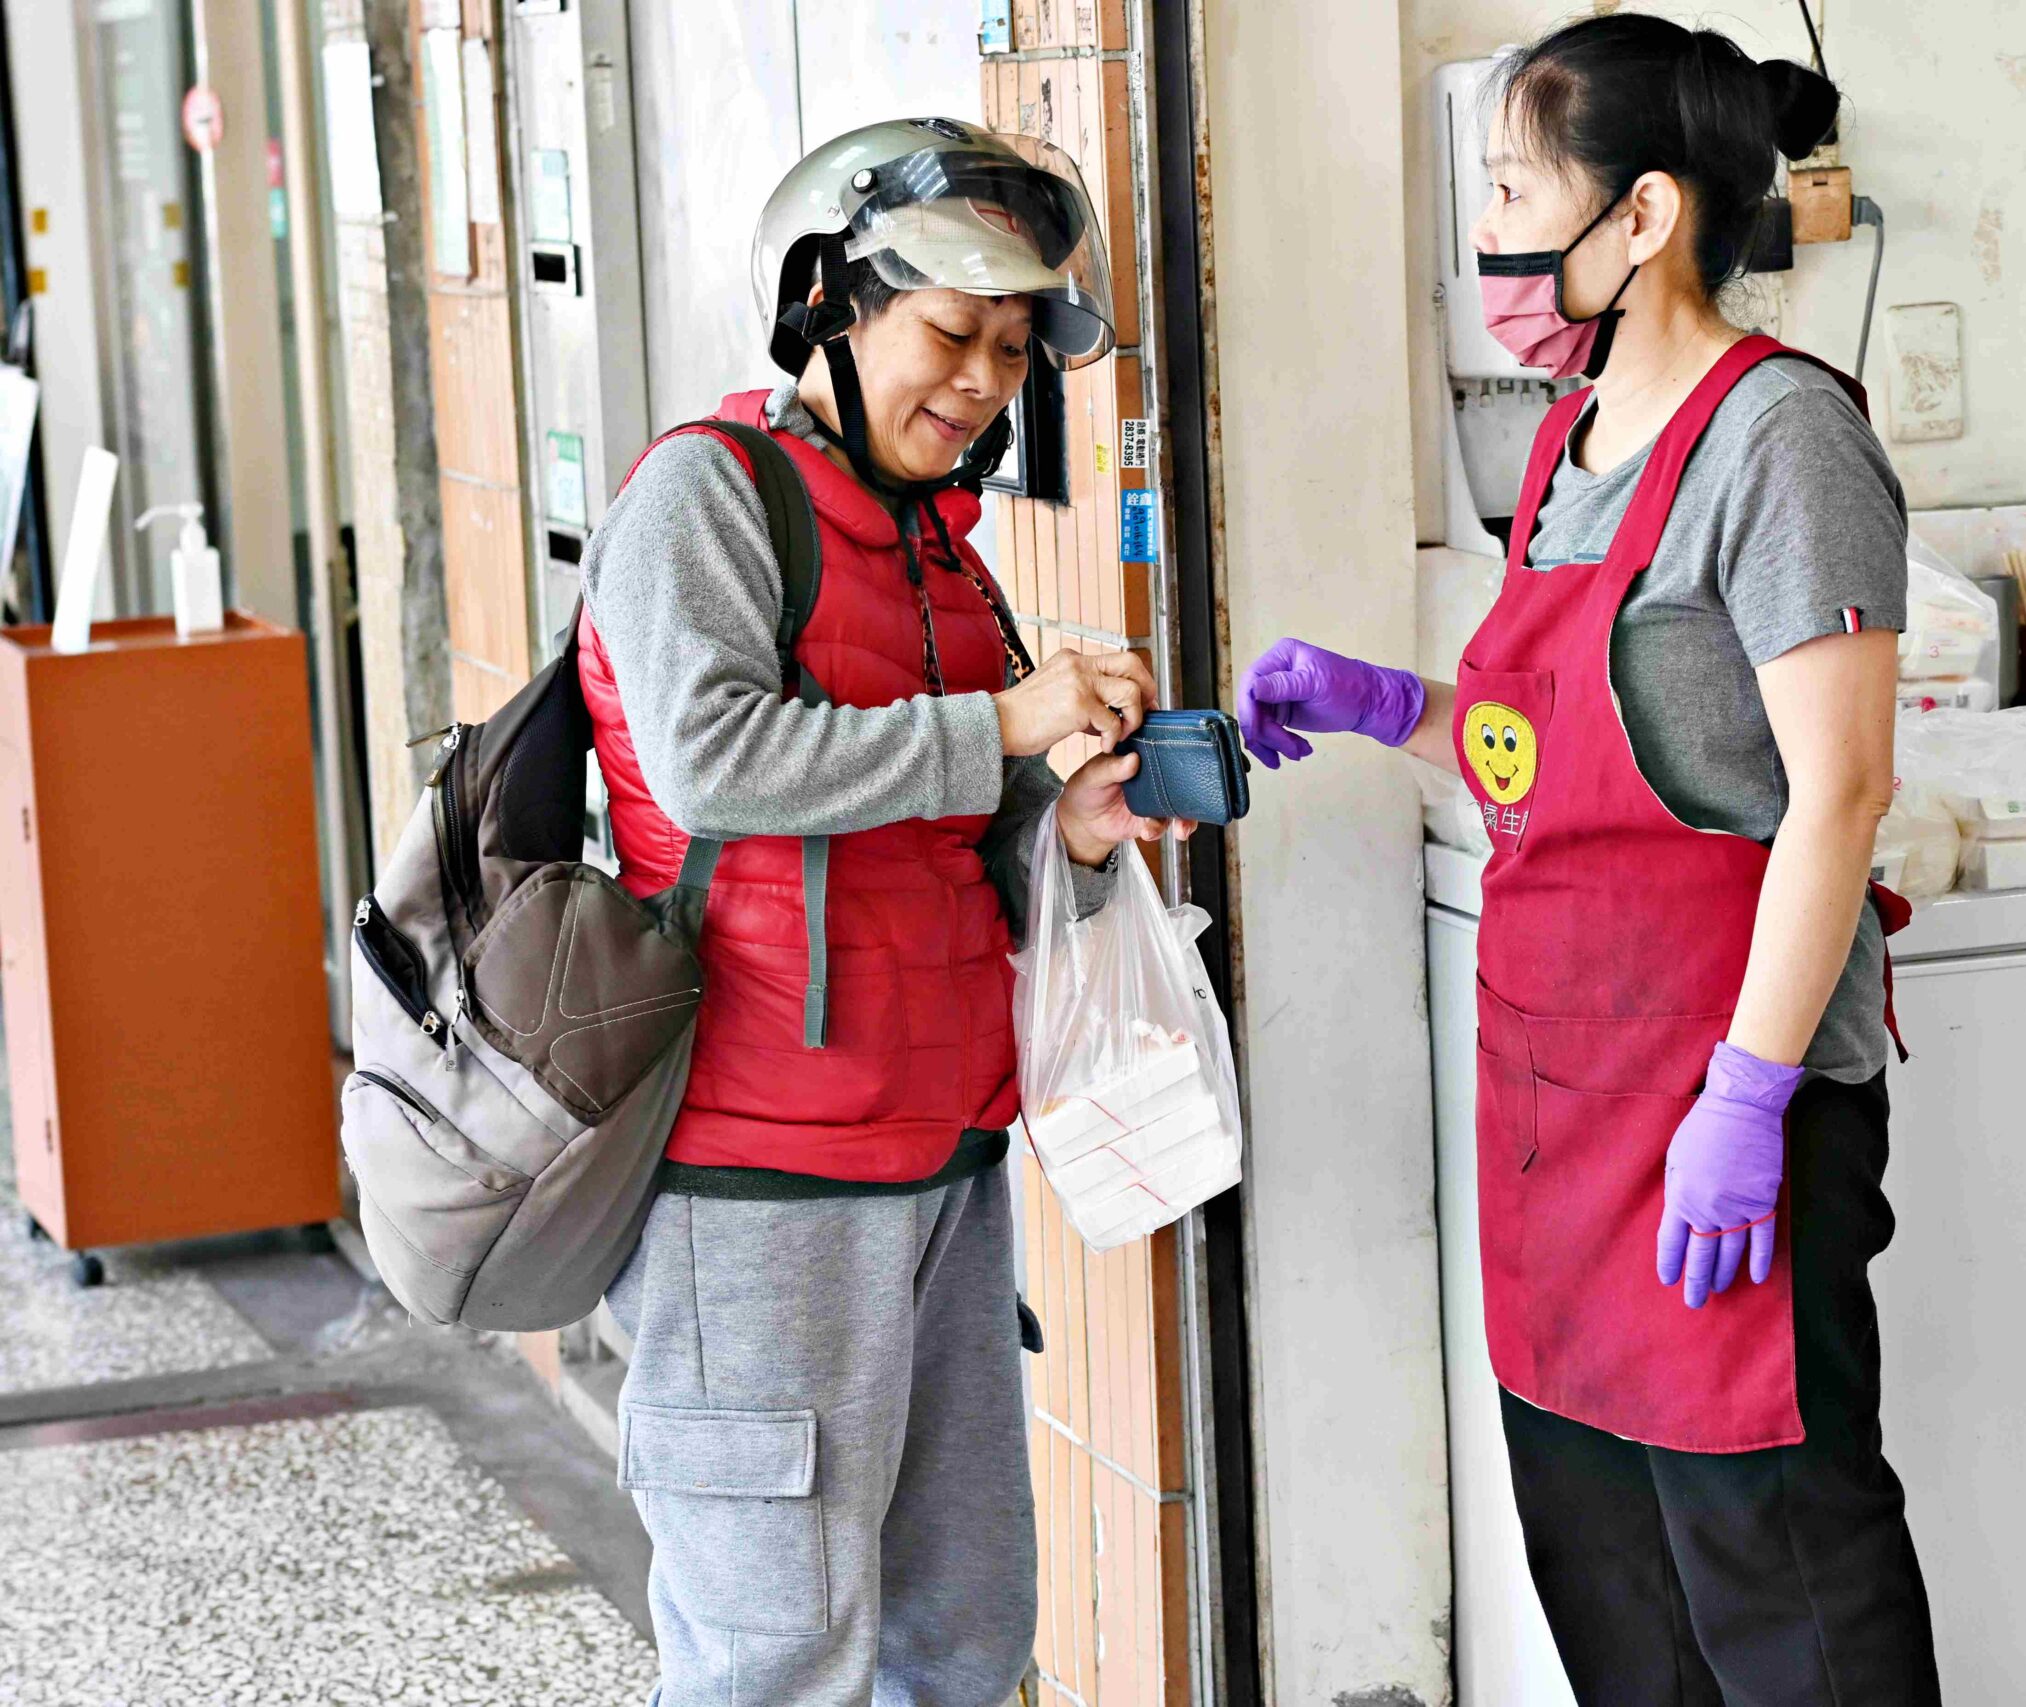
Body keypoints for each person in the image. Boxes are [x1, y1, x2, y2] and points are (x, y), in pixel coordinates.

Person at [1237, 18, 1943, 1704]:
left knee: (1782, 1589)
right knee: (1616, 1592)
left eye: (1509, 189)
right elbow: (1534, 749)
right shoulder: (1562, 441)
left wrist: (1753, 1102)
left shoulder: (1781, 439)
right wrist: (1382, 703)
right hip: (1561, 1107)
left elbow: (1839, 796)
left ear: (1639, 216)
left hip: (1723, 1115)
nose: (1485, 232)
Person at [582, 118, 1188, 1706]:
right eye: (949, 335)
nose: (984, 381)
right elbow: (713, 759)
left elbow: (949, 834)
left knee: (961, 1632)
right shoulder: (703, 501)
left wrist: (1072, 821)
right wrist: (999, 724)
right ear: (827, 307)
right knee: (774, 1655)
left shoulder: (938, 553)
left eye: (1009, 350)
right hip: (754, 1177)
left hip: (943, 1162)